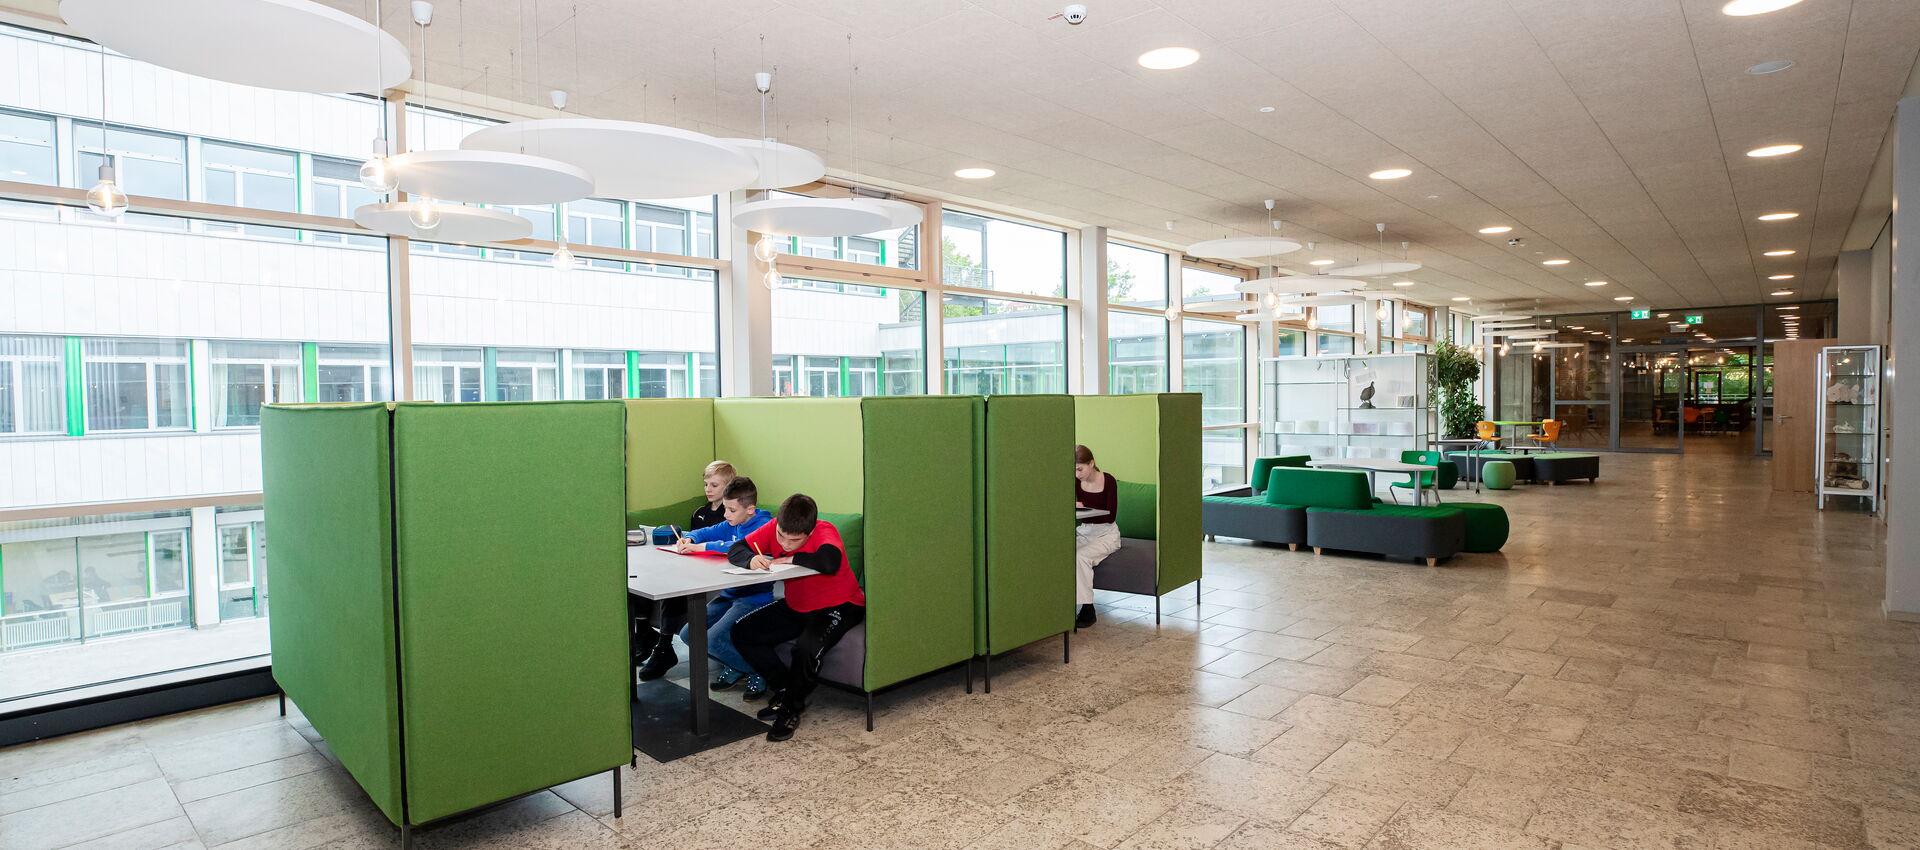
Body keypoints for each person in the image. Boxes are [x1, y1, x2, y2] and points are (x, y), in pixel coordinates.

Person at [728, 493, 865, 742]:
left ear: (810, 532)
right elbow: (736, 549)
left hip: (840, 605)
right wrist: (751, 559)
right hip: (797, 605)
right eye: (782, 536)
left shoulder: (824, 530)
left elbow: (829, 561)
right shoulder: (773, 527)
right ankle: (784, 688)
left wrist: (791, 558)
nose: (786, 543)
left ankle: (791, 709)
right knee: (742, 631)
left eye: (795, 540)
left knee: (805, 649)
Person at [672, 476, 775, 698]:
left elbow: (737, 546)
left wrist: (702, 547)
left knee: (712, 638)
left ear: (750, 510)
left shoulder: (764, 526)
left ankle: (758, 671)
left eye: (731, 510)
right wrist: (689, 539)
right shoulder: (731, 521)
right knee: (689, 635)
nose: (725, 515)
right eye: (725, 509)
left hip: (754, 597)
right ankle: (737, 666)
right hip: (730, 594)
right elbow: (705, 531)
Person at [633, 461, 737, 681]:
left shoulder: (729, 516)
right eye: (706, 484)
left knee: (675, 585)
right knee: (650, 574)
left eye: (714, 485)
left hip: (715, 570)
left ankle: (663, 646)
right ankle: (646, 635)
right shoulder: (699, 513)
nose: (708, 489)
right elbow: (697, 536)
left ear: (728, 488)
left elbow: (728, 544)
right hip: (694, 564)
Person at [1073, 444, 1119, 629]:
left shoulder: (1108, 481)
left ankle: (1087, 609)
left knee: (1081, 556)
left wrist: (1083, 511)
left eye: (1080, 469)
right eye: (1074, 469)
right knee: (1059, 552)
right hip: (1084, 531)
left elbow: (1110, 515)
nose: (1077, 474)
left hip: (1106, 534)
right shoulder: (1075, 481)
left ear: (1091, 463)